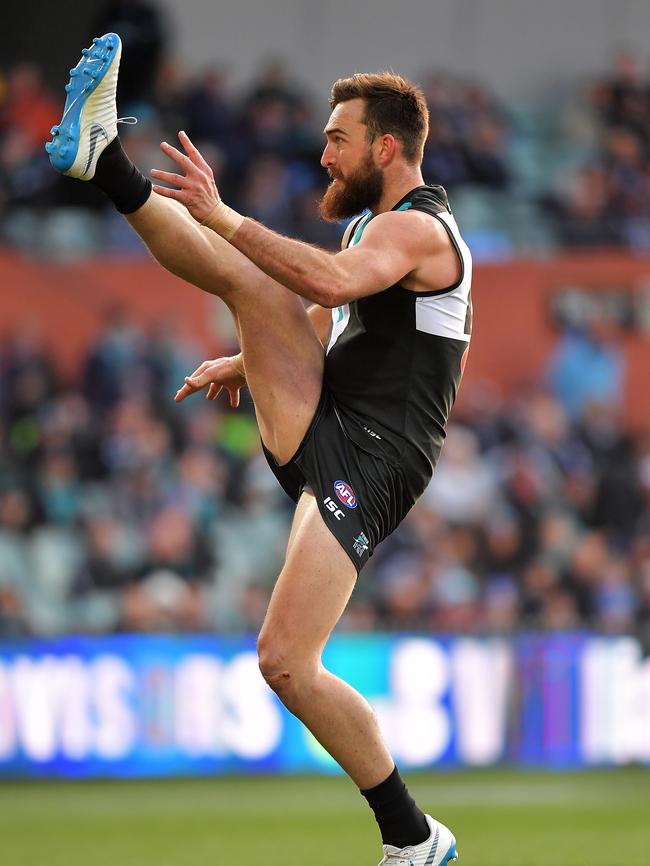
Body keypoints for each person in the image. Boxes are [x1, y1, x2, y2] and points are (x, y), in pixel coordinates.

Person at [46, 33, 471, 866]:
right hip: (338, 427)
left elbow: (333, 289)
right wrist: (247, 359)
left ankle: (415, 838)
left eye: (337, 139)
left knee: (284, 661)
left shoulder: (421, 233)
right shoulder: (375, 233)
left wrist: (226, 215)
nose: (323, 154)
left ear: (386, 148)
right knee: (243, 282)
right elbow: (323, 321)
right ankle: (104, 165)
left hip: (375, 460)